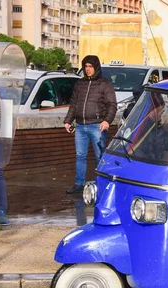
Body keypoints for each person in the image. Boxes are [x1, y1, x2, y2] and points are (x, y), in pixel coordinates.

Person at [64, 55, 117, 194]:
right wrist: (68, 121)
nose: (87, 69)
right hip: (81, 126)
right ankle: (79, 184)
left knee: (100, 156)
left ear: (96, 68)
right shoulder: (79, 84)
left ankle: (102, 184)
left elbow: (112, 105)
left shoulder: (104, 84)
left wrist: (107, 121)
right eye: (85, 66)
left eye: (90, 67)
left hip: (97, 126)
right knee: (80, 156)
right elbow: (74, 104)